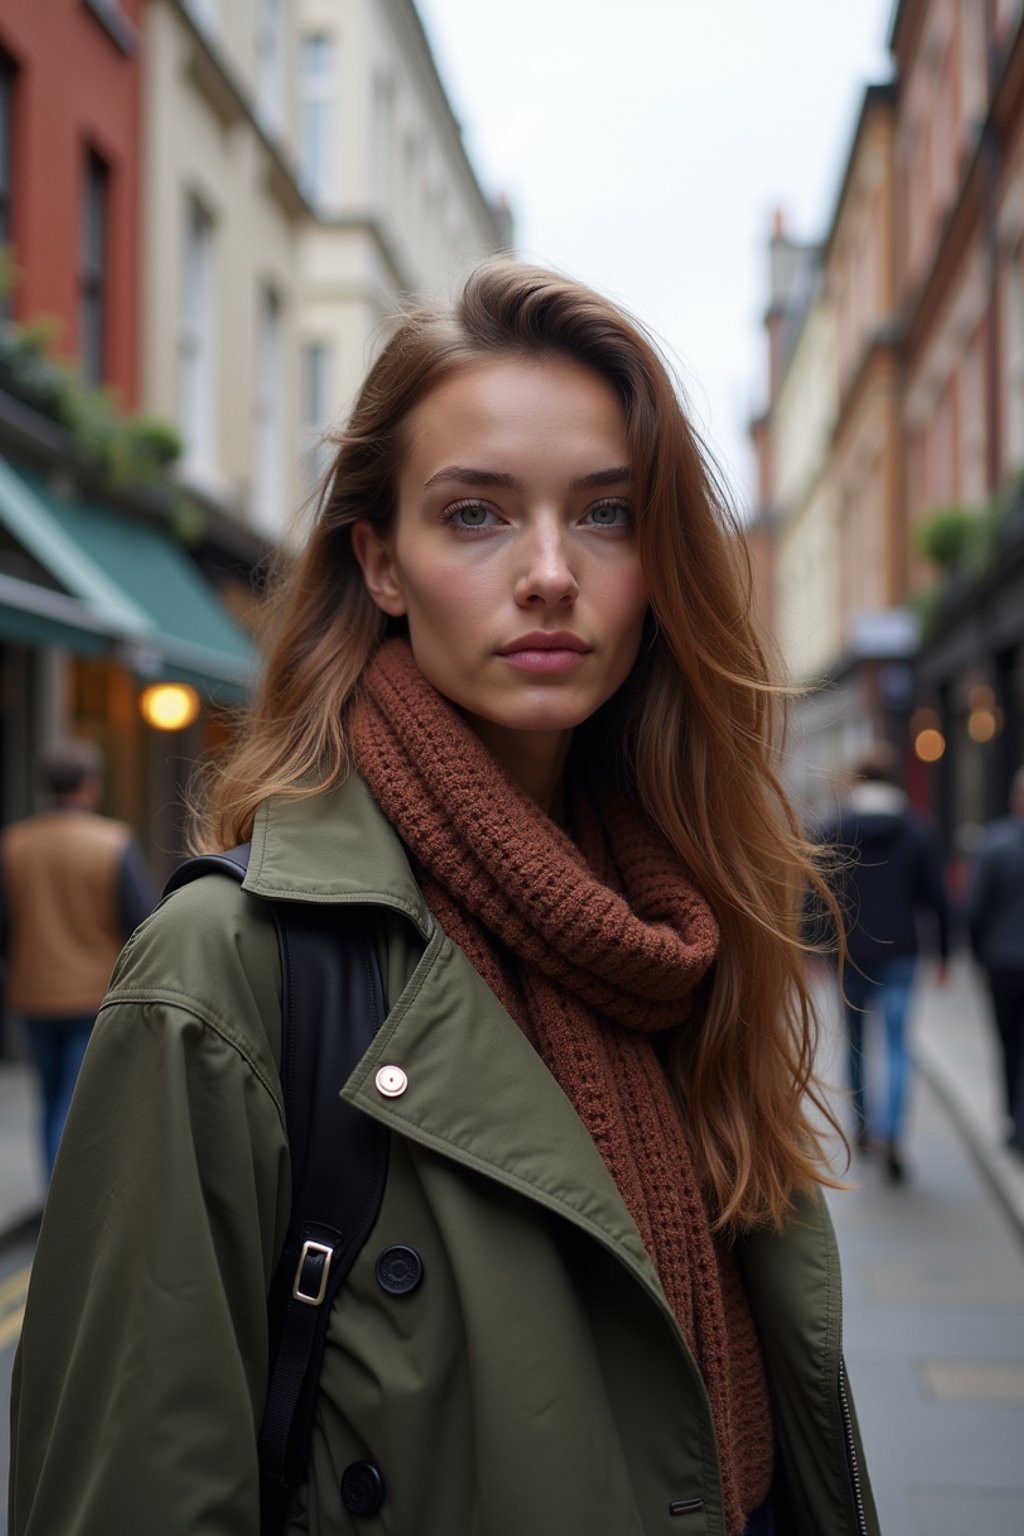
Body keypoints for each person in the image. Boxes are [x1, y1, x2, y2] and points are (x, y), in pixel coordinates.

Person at [10, 262, 879, 1536]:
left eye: (606, 515)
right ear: (382, 563)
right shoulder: (226, 974)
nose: (546, 572)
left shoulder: (693, 939)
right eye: (475, 515)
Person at [0, 738, 155, 1178]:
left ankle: (51, 1189)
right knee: (76, 1101)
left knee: (49, 1097)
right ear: (91, 786)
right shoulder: (113, 842)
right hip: (93, 994)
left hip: (32, 992)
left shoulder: (14, 843)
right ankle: (61, 1203)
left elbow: (4, 925)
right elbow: (141, 923)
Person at [814, 744, 949, 1183]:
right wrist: (944, 952)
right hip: (902, 952)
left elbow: (813, 893)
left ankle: (862, 1129)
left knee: (855, 1043)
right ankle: (892, 1132)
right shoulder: (917, 829)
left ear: (857, 781)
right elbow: (936, 897)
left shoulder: (833, 827)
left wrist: (813, 948)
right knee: (896, 1043)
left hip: (849, 954)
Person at [967, 764, 1024, 1154]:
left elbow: (973, 908)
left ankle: (1015, 1123)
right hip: (1002, 960)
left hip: (1002, 964)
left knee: (1009, 1044)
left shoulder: (994, 843)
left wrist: (977, 956)